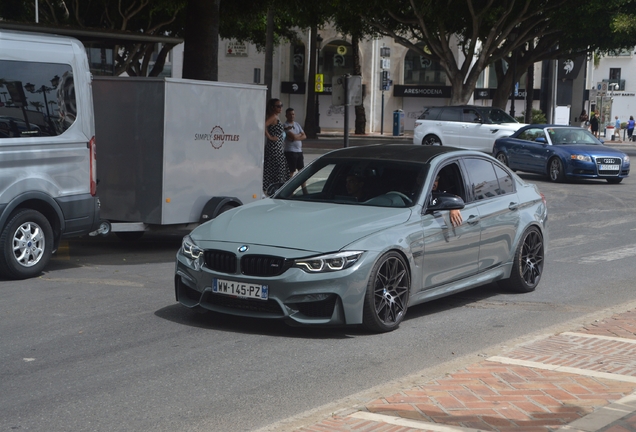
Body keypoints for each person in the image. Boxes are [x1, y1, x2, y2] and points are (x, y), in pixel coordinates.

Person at [263, 98, 289, 194]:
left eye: (281, 105)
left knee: (278, 169)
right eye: (278, 106)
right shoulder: (273, 117)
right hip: (274, 148)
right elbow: (263, 125)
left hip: (278, 147)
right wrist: (269, 136)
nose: (280, 108)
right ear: (273, 107)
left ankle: (275, 189)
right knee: (277, 169)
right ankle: (273, 189)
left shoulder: (276, 117)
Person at [283, 108, 307, 177]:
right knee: (291, 171)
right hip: (290, 152)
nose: (292, 116)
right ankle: (289, 187)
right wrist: (300, 134)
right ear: (286, 115)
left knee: (301, 171)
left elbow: (304, 136)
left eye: (293, 114)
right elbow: (293, 136)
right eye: (289, 114)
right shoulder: (285, 125)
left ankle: (304, 188)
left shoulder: (297, 124)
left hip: (299, 151)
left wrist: (297, 136)